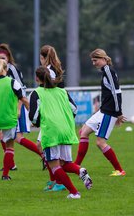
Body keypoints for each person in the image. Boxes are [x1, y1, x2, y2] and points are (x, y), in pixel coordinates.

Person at [29, 66, 91, 199]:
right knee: (63, 163)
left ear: (37, 78)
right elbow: (74, 109)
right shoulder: (62, 91)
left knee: (54, 165)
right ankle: (80, 170)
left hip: (51, 131)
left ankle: (74, 193)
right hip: (66, 130)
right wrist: (65, 120)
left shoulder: (36, 93)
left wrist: (37, 123)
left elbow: (33, 116)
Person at [74, 48, 127, 176]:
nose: (94, 63)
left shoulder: (108, 70)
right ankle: (76, 166)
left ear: (103, 59)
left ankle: (120, 170)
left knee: (100, 142)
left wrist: (118, 113)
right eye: (92, 61)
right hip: (103, 111)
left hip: (109, 112)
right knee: (84, 131)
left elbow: (116, 92)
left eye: (95, 60)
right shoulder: (105, 71)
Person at [0, 43, 44, 170]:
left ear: (8, 59)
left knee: (17, 137)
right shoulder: (0, 70)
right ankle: (11, 164)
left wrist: (18, 108)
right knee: (4, 136)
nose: (0, 61)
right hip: (7, 108)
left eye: (3, 58)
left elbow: (21, 88)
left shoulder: (12, 69)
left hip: (16, 107)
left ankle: (43, 155)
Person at [38, 44, 78, 191]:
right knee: (53, 154)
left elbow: (50, 91)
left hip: (53, 114)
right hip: (61, 111)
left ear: (43, 58)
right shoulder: (56, 67)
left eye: (40, 58)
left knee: (46, 149)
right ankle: (55, 180)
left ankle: (58, 182)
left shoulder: (49, 71)